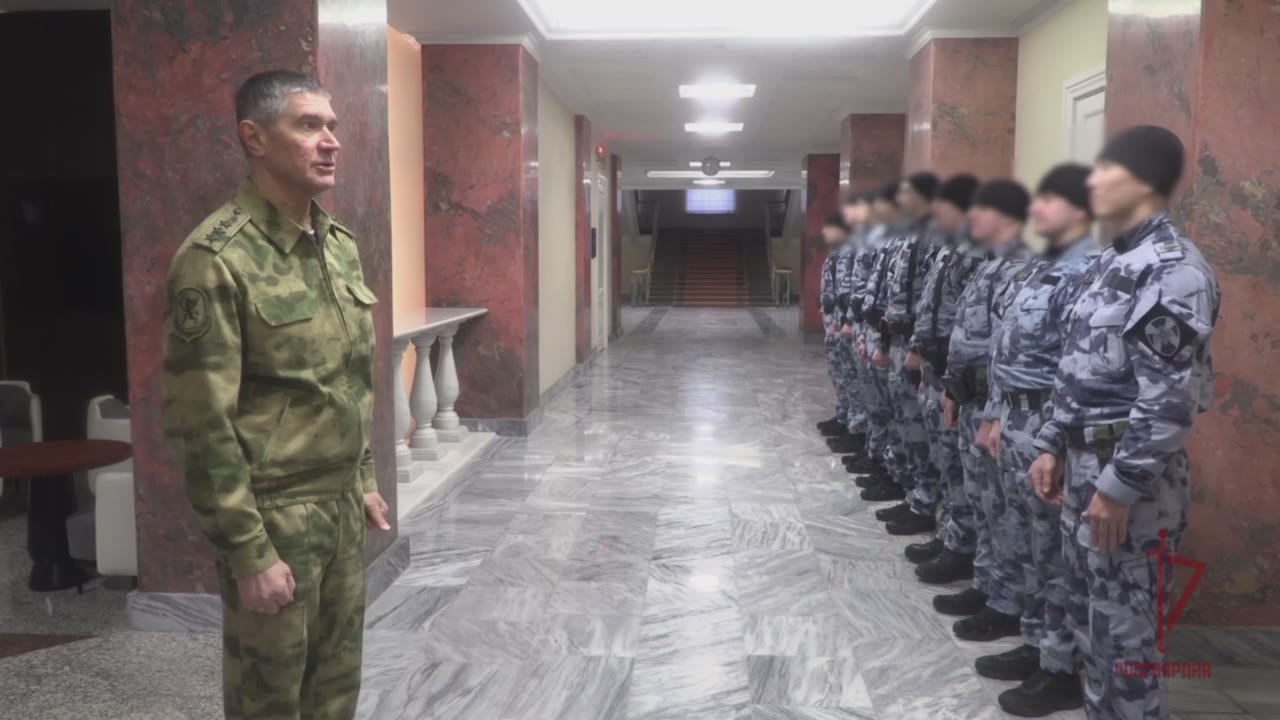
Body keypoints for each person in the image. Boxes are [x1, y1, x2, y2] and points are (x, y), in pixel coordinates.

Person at [162, 70, 391, 720]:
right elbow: (200, 421)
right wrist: (248, 550)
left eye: (333, 126)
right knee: (271, 699)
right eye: (309, 125)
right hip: (275, 515)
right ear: (255, 138)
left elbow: (347, 376)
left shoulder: (337, 246)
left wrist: (362, 477)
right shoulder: (216, 259)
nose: (331, 142)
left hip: (340, 506)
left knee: (335, 688)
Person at [1028, 126, 1219, 720]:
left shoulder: (1173, 271)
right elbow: (1076, 369)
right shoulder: (1112, 263)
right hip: (1083, 467)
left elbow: (1168, 401)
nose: (1091, 181)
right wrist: (1052, 443)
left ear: (1143, 182)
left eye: (1104, 169)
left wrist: (1118, 487)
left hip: (1130, 484)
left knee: (1129, 645)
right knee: (1093, 631)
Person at [967, 165, 1099, 716]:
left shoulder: (1088, 271)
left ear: (1081, 209)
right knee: (1027, 542)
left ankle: (1061, 666)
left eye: (1049, 200)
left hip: (1049, 426)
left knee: (1055, 553)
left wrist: (1055, 442)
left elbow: (1078, 370)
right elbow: (1008, 352)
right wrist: (996, 413)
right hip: (1017, 418)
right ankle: (1036, 642)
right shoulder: (1041, 268)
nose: (1036, 209)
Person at [931, 180, 1034, 637]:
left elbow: (1008, 355)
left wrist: (993, 411)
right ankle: (987, 583)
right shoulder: (991, 265)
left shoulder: (1023, 270)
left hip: (1001, 410)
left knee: (1003, 508)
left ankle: (1006, 601)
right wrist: (954, 389)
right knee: (984, 501)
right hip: (973, 400)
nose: (971, 219)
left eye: (980, 210)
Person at [899, 174, 983, 571]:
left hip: (956, 376)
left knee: (956, 463)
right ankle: (949, 531)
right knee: (943, 457)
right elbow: (928, 307)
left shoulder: (976, 256)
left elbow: (971, 326)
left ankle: (961, 544)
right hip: (936, 370)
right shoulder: (949, 251)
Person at [871, 172, 943, 526]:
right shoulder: (907, 237)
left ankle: (925, 500)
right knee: (903, 418)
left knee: (918, 426)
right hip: (898, 340)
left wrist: (917, 346)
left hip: (917, 348)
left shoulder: (935, 239)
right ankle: (907, 484)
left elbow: (931, 303)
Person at [853, 181, 909, 498]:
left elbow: (899, 303)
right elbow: (872, 297)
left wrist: (884, 343)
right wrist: (866, 334)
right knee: (879, 404)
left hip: (897, 343)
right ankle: (882, 460)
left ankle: (898, 476)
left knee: (896, 413)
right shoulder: (885, 245)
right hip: (875, 333)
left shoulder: (910, 247)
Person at [818, 211, 855, 439]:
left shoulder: (852, 253)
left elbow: (852, 293)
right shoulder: (836, 254)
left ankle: (854, 425)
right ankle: (844, 414)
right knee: (838, 372)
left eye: (828, 227)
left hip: (845, 324)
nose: (823, 232)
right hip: (834, 322)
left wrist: (845, 321)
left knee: (850, 375)